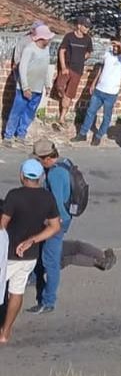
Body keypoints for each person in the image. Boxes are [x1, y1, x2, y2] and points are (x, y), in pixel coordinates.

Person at [0, 159, 61, 343]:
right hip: (29, 255)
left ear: (21, 176)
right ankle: (5, 333)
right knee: (17, 292)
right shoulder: (47, 198)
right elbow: (55, 227)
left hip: (7, 254)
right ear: (41, 177)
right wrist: (31, 240)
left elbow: (2, 225)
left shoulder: (14, 196)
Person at [27, 139, 72, 314]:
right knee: (43, 250)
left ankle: (48, 301)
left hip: (57, 223)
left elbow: (58, 207)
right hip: (62, 219)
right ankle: (34, 276)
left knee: (50, 260)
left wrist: (46, 223)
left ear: (46, 158)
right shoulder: (64, 163)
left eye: (38, 159)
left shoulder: (55, 175)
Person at [72, 34, 121, 146]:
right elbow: (101, 69)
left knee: (106, 116)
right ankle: (82, 134)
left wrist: (120, 45)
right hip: (99, 90)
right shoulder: (108, 54)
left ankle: (98, 136)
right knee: (90, 112)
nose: (114, 48)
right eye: (113, 45)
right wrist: (93, 83)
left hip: (111, 93)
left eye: (117, 46)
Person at [3, 24, 56, 147]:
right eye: (48, 38)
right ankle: (8, 136)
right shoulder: (29, 49)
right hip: (24, 88)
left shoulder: (47, 50)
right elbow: (22, 68)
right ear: (41, 38)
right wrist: (25, 87)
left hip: (38, 88)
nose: (49, 40)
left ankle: (21, 134)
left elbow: (46, 68)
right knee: (17, 111)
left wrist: (48, 84)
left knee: (29, 112)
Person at [55, 16, 93, 128]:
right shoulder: (69, 37)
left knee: (69, 94)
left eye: (88, 27)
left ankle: (62, 117)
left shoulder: (87, 39)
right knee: (59, 87)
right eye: (85, 26)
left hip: (78, 70)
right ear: (79, 25)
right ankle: (62, 100)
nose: (87, 29)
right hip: (67, 67)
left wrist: (81, 58)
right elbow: (62, 51)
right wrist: (63, 67)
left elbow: (88, 53)